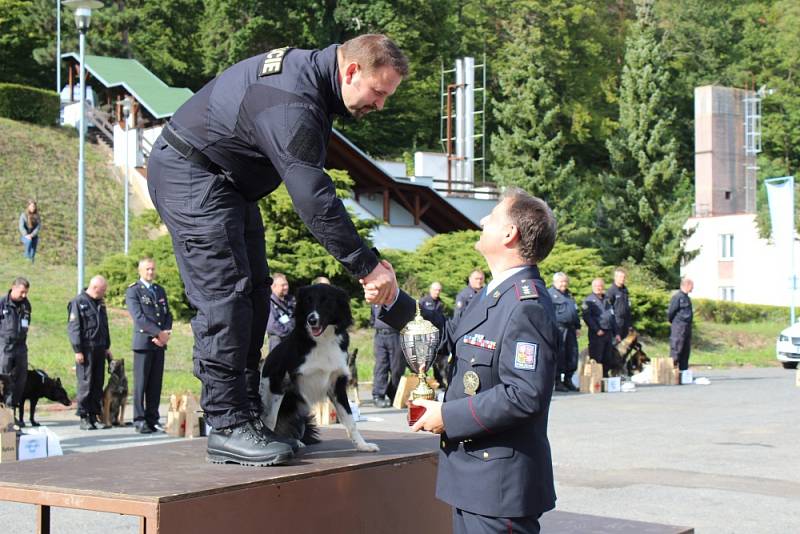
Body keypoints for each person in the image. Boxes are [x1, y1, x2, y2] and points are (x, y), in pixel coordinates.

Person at [145, 34, 407, 465]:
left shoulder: (313, 85)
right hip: (191, 173)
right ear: (352, 71)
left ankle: (247, 414)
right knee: (225, 297)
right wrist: (367, 266)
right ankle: (228, 424)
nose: (380, 105)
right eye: (379, 92)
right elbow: (313, 196)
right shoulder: (294, 101)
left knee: (254, 292)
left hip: (227, 182)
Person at [373, 188, 559, 533]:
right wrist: (393, 297)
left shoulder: (525, 304)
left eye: (493, 216)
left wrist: (447, 415)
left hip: (498, 486)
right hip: (475, 481)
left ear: (509, 234)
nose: (484, 220)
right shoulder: (493, 293)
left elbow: (524, 395)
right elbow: (444, 335)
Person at [125, 258, 173, 434]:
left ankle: (153, 418)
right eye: (147, 269)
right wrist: (157, 333)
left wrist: (165, 334)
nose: (150, 272)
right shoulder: (134, 290)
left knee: (155, 384)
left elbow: (167, 314)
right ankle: (139, 420)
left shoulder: (159, 290)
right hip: (144, 342)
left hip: (159, 344)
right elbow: (139, 317)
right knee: (141, 383)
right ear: (140, 271)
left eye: (153, 269)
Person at [68, 275, 112, 430]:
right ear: (95, 288)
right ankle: (84, 416)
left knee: (97, 383)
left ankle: (94, 414)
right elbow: (74, 328)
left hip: (100, 348)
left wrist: (107, 346)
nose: (104, 293)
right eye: (103, 290)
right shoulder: (78, 302)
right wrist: (77, 349)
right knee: (85, 383)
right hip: (86, 349)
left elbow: (104, 326)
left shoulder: (100, 303)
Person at [0, 278, 31, 424]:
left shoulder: (26, 305)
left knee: (20, 380)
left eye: (26, 292)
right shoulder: (2, 304)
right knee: (4, 380)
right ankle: (4, 415)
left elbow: (26, 323)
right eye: (22, 292)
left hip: (21, 347)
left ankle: (11, 412)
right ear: (13, 287)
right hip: (5, 347)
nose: (24, 295)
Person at [548, 272, 580, 392]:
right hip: (559, 329)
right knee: (560, 355)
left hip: (571, 329)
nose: (564, 284)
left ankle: (568, 380)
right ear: (555, 282)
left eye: (565, 281)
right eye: (561, 281)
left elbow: (575, 311)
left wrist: (577, 326)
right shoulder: (549, 294)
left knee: (572, 354)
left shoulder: (569, 295)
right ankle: (558, 381)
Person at [370, 303, 405, 408]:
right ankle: (378, 395)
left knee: (397, 368)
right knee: (380, 367)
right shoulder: (375, 303)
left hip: (395, 335)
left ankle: (393, 392)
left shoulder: (398, 301)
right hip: (380, 336)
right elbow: (372, 319)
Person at [582, 278, 619, 378]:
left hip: (608, 332)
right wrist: (596, 329)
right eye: (597, 286)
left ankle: (605, 377)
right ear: (593, 287)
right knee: (597, 357)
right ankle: (596, 379)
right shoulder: (589, 300)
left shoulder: (607, 299)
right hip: (597, 333)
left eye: (601, 286)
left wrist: (617, 333)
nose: (599, 288)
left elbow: (612, 317)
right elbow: (587, 317)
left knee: (607, 357)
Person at [668, 278, 694, 372]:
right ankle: (672, 372)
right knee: (676, 349)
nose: (692, 288)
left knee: (685, 350)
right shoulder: (677, 297)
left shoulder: (687, 298)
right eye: (692, 286)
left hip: (687, 327)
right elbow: (671, 312)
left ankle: (683, 372)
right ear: (686, 285)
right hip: (678, 327)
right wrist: (675, 323)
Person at [266, 273, 296, 351]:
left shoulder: (291, 300)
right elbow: (272, 326)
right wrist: (291, 332)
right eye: (283, 285)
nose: (286, 287)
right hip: (280, 341)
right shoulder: (269, 302)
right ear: (273, 287)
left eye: (286, 284)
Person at [606, 267, 632, 338]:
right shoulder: (611, 291)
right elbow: (607, 309)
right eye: (620, 277)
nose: (622, 279)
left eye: (624, 277)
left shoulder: (625, 290)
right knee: (615, 346)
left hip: (625, 323)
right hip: (616, 323)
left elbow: (628, 308)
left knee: (624, 347)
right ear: (615, 278)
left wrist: (629, 325)